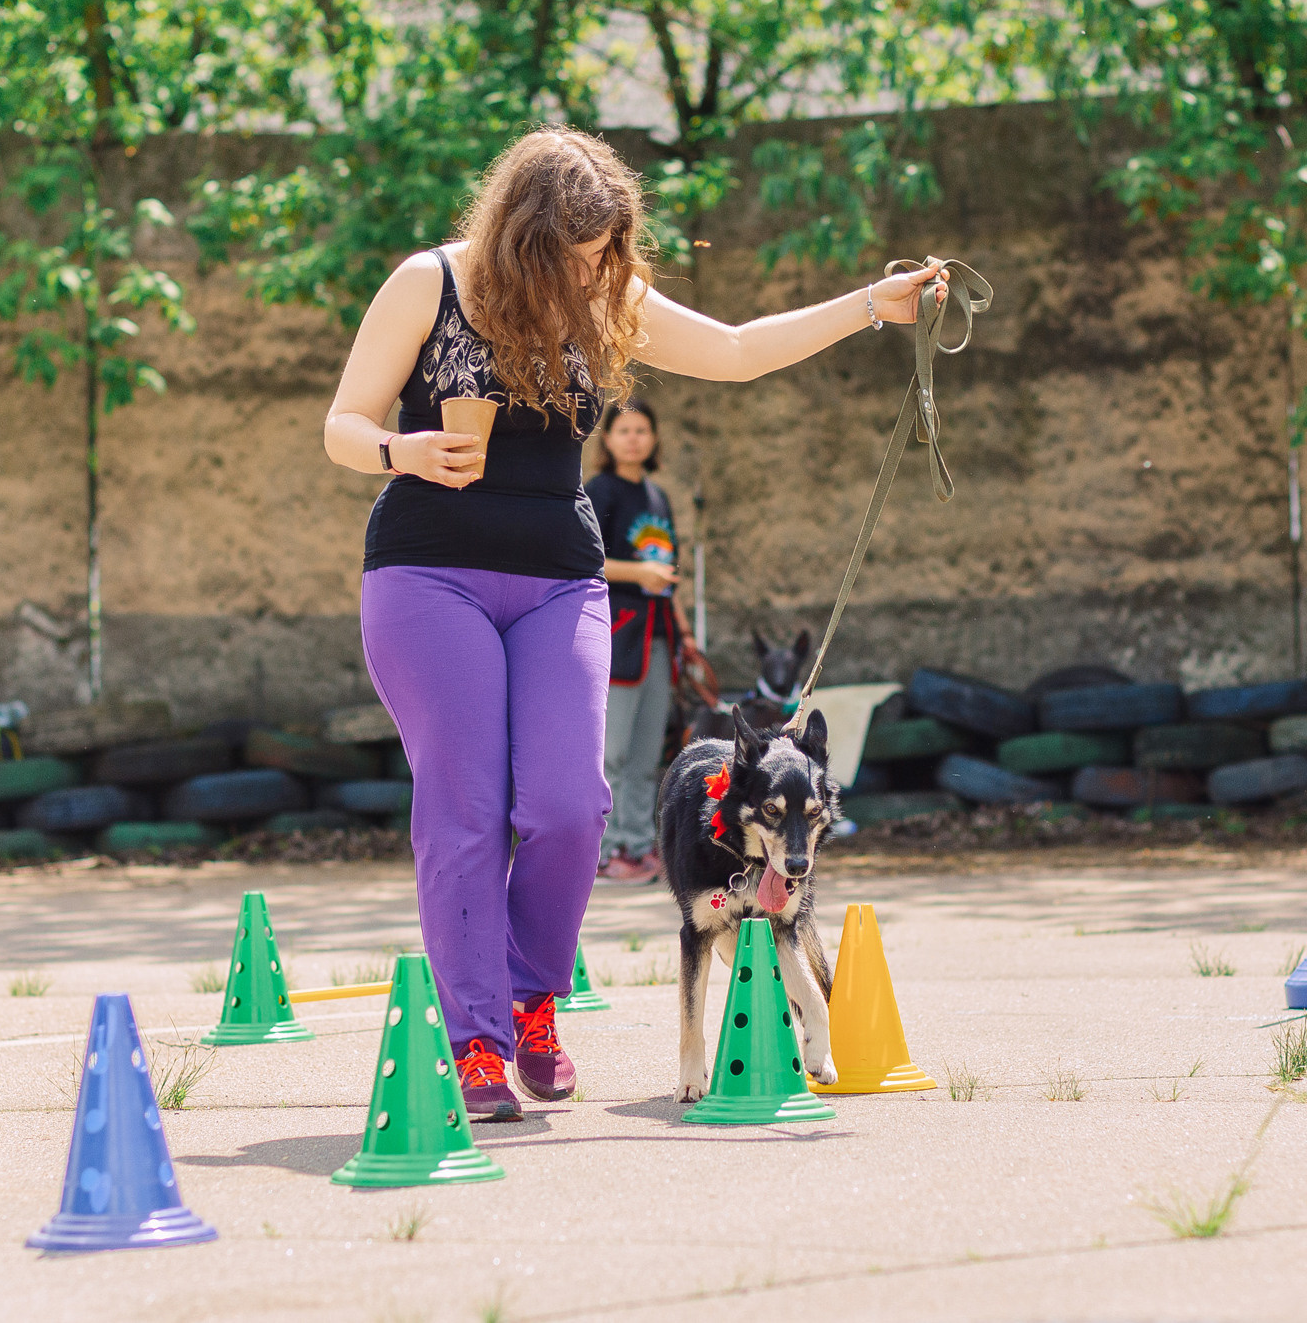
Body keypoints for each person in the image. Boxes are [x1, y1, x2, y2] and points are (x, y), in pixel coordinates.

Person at [321, 125, 948, 1122]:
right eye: (570, 251)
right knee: (468, 807)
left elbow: (737, 351)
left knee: (571, 804)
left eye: (601, 250)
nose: (588, 269)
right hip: (425, 573)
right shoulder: (426, 285)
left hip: (559, 580)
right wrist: (400, 451)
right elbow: (341, 424)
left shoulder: (603, 300)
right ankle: (474, 1037)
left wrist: (875, 305)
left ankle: (534, 1001)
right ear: (522, 233)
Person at [586, 398, 696, 884]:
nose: (633, 437)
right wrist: (639, 572)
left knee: (649, 751)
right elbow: (582, 559)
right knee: (611, 751)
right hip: (614, 634)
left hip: (658, 636)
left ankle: (637, 843)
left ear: (653, 439)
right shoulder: (597, 492)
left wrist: (686, 635)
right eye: (623, 429)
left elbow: (666, 579)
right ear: (607, 439)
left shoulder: (658, 497)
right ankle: (604, 851)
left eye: (642, 429)